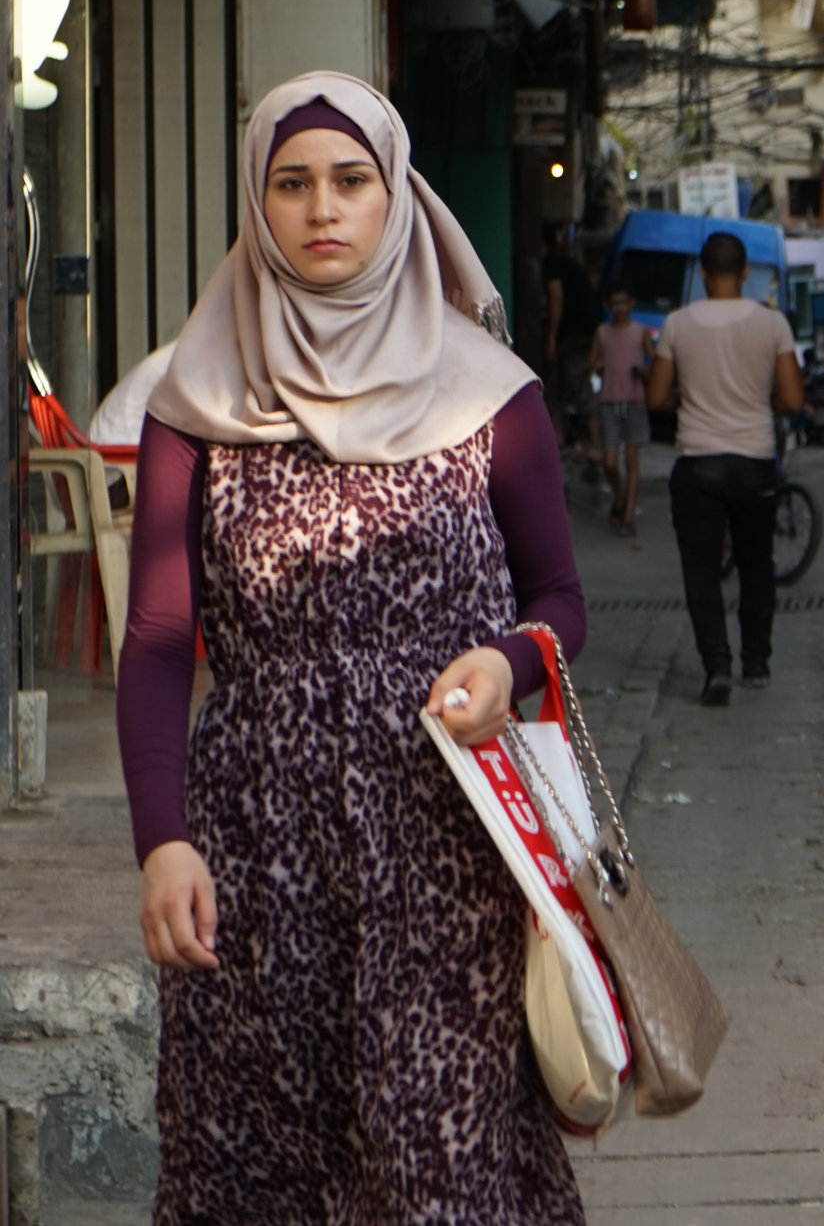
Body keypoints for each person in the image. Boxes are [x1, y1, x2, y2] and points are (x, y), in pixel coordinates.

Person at [118, 72, 589, 1221]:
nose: (321, 208)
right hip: (255, 846)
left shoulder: (490, 393)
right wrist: (163, 843)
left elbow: (561, 597)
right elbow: (161, 640)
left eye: (349, 181)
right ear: (256, 204)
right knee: (262, 1161)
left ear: (397, 199)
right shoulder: (195, 400)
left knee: (438, 1157)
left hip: (447, 830)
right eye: (291, 184)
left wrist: (510, 662)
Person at [647, 231, 804, 703]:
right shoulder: (772, 323)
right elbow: (793, 399)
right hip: (755, 460)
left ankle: (717, 665)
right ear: (743, 272)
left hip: (697, 463)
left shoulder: (676, 324)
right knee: (757, 564)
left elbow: (655, 397)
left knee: (701, 569)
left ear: (702, 273)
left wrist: (688, 396)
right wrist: (762, 398)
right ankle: (756, 661)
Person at [592, 287, 656, 535]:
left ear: (632, 303)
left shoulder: (641, 332)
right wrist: (597, 366)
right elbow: (591, 363)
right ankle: (619, 499)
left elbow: (654, 365)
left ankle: (628, 517)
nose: (619, 308)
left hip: (634, 402)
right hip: (609, 401)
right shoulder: (602, 332)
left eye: (623, 302)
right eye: (614, 303)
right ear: (609, 306)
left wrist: (644, 371)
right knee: (609, 462)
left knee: (631, 461)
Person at [540, 221, 599, 453]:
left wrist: (550, 339)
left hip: (573, 335)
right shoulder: (565, 262)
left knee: (576, 386)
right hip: (580, 333)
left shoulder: (552, 263)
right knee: (558, 386)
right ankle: (561, 439)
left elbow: (556, 300)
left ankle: (593, 446)